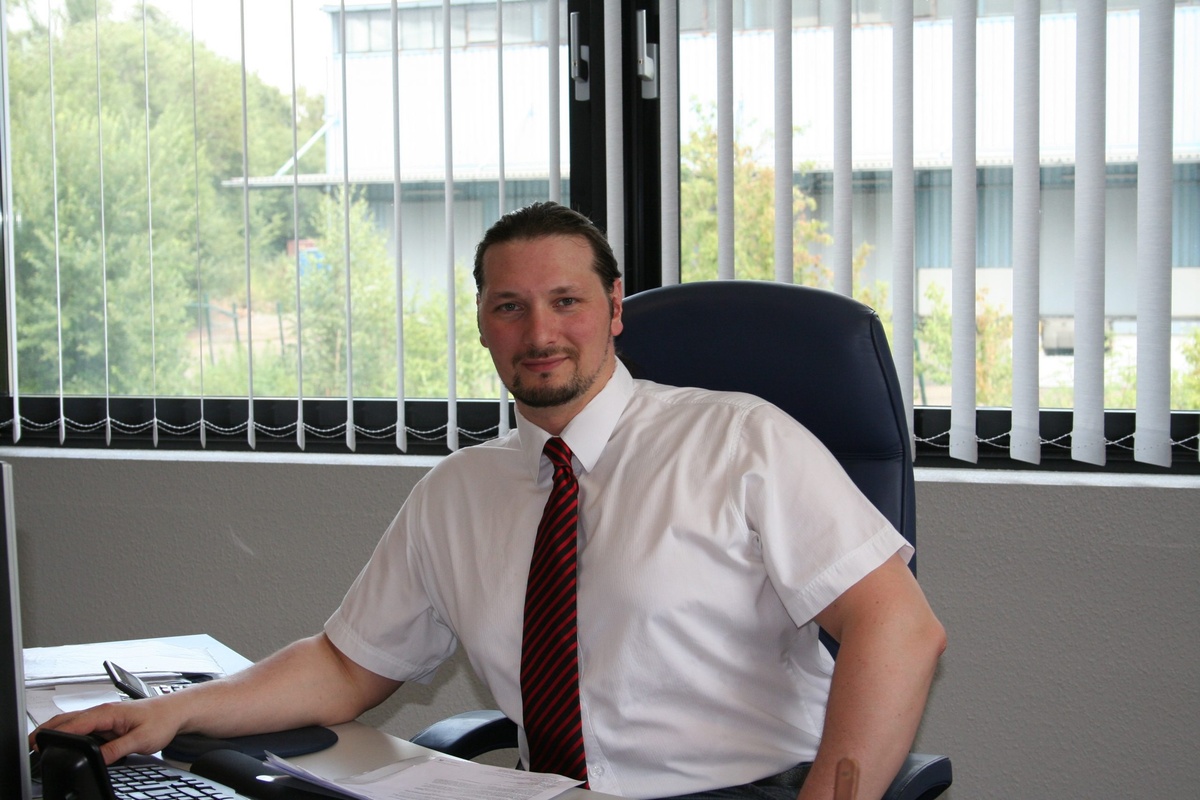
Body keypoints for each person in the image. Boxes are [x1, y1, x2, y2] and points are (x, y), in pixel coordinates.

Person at [36, 202, 946, 800]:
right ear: (481, 324)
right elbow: (348, 666)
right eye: (510, 307)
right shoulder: (458, 492)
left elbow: (898, 628)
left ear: (616, 308)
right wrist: (174, 713)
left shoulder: (738, 439)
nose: (540, 332)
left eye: (566, 301)